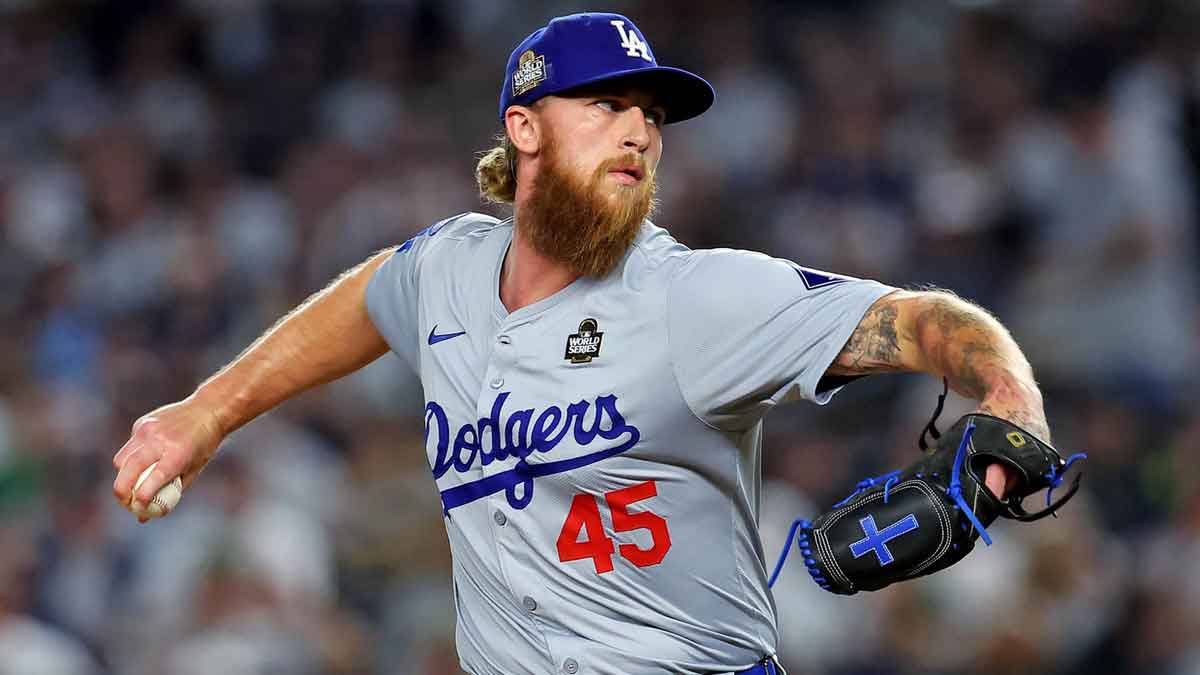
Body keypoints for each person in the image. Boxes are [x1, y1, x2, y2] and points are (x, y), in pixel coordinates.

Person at [112, 13, 1043, 675]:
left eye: (652, 114)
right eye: (605, 103)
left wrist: (1011, 400)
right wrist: (206, 412)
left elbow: (926, 322)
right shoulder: (446, 268)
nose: (639, 129)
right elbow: (363, 299)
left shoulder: (697, 297)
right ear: (524, 128)